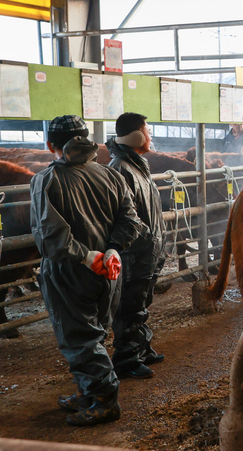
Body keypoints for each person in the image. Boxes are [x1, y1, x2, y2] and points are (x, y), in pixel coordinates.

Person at [30, 115, 143, 426]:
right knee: (95, 333)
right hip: (110, 270)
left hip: (71, 272)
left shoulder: (46, 180)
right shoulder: (111, 175)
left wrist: (85, 256)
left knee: (78, 337)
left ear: (50, 144)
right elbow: (131, 221)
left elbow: (51, 236)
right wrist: (112, 250)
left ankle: (105, 399)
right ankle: (87, 390)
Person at [106, 112, 166, 381]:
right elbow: (125, 217)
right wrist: (145, 241)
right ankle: (127, 360)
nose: (150, 136)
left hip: (146, 249)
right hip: (134, 252)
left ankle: (141, 348)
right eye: (148, 130)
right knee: (130, 305)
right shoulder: (120, 168)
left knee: (142, 302)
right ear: (136, 136)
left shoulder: (137, 164)